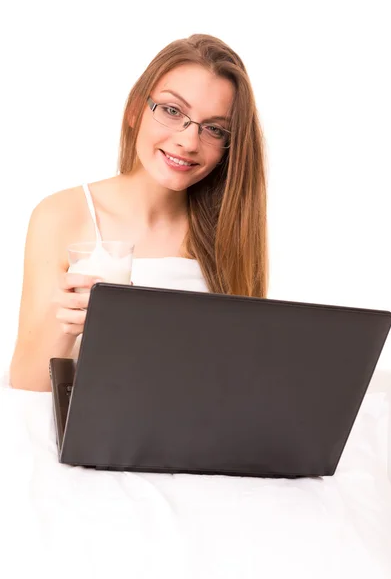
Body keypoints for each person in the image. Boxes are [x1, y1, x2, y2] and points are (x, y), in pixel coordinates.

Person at [10, 33, 268, 392]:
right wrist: (71, 323)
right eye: (172, 111)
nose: (189, 141)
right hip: (93, 442)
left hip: (198, 440)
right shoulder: (62, 215)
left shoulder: (226, 230)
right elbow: (25, 384)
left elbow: (240, 375)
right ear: (135, 110)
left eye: (214, 129)